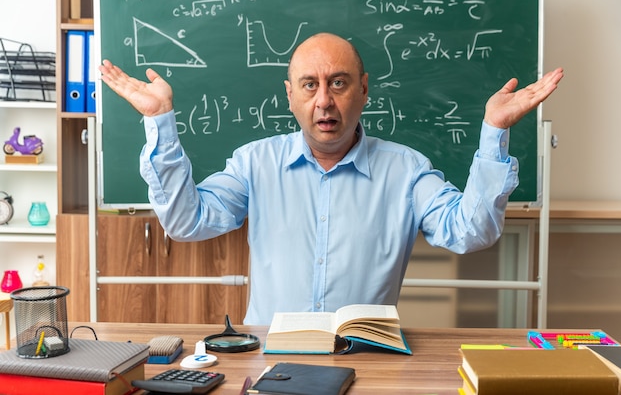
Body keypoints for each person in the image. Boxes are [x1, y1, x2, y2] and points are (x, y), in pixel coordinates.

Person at [99, 32, 563, 325]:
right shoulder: (254, 164)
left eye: (338, 83)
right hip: (268, 359)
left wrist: (494, 134)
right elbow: (187, 222)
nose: (324, 100)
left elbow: (472, 230)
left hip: (369, 358)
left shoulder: (406, 170)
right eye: (310, 85)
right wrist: (160, 120)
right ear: (290, 95)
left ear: (363, 89)